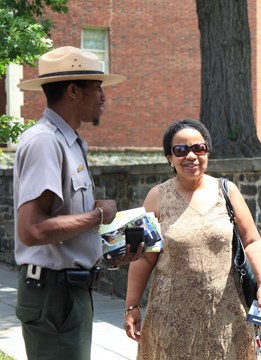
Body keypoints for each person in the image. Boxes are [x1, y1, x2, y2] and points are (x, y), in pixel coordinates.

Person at [13, 46, 144, 359]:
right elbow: (31, 230)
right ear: (73, 91)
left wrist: (109, 251)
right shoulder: (45, 141)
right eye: (97, 89)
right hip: (54, 296)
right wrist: (98, 215)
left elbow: (64, 228)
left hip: (69, 292)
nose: (103, 97)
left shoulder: (68, 142)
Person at [124, 119, 261, 359]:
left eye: (198, 148)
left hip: (227, 318)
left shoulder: (227, 191)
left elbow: (251, 240)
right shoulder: (156, 198)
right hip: (170, 320)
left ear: (208, 152)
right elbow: (143, 259)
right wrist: (131, 306)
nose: (190, 156)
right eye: (180, 150)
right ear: (169, 158)